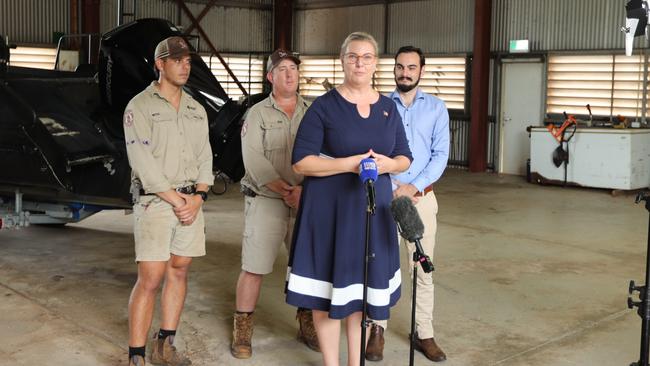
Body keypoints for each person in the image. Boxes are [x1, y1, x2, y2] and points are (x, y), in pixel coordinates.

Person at [285, 32, 412, 366]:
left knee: (360, 294)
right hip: (330, 212)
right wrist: (351, 164)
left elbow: (404, 156)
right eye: (353, 56)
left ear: (375, 64)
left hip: (372, 212)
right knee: (327, 295)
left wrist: (388, 165)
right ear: (342, 61)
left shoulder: (388, 108)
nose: (360, 62)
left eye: (367, 56)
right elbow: (301, 161)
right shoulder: (323, 107)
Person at [124, 36, 213, 366]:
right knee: (150, 278)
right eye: (177, 60)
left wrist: (199, 197)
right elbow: (142, 161)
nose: (184, 65)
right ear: (160, 64)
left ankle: (166, 343)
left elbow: (206, 157)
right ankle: (136, 355)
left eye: (188, 60)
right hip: (156, 203)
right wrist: (178, 200)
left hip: (191, 203)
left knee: (179, 270)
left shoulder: (196, 108)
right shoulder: (139, 106)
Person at [231, 49, 319, 359]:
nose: (290, 74)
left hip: (305, 202)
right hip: (268, 200)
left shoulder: (313, 111)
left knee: (308, 267)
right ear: (271, 77)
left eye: (293, 68)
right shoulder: (256, 114)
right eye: (282, 69)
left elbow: (325, 155)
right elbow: (253, 160)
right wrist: (287, 190)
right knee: (254, 267)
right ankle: (243, 326)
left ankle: (306, 321)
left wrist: (303, 192)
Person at [365, 46, 449, 363]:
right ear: (394, 70)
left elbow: (441, 155)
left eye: (411, 67)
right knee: (381, 266)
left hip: (421, 199)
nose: (405, 72)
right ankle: (377, 330)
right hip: (386, 196)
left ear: (421, 71)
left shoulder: (437, 109)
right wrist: (390, 186)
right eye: (400, 67)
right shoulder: (381, 107)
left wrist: (413, 186)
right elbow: (370, 152)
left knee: (422, 268)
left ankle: (423, 333)